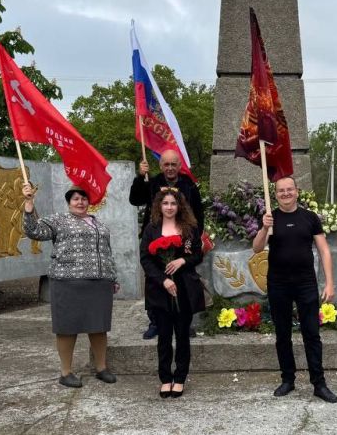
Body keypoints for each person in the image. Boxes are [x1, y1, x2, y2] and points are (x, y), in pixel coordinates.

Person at [22, 183, 119, 388]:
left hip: (99, 283)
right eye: (75, 199)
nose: (80, 202)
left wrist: (112, 277)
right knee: (67, 328)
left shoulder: (99, 224)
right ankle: (65, 372)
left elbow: (107, 252)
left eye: (84, 199)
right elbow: (34, 231)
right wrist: (29, 203)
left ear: (89, 202)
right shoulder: (58, 220)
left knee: (99, 327)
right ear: (69, 202)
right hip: (68, 282)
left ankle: (101, 368)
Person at [252, 176, 337, 403]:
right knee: (283, 334)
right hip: (278, 284)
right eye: (281, 190)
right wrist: (264, 227)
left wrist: (329, 282)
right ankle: (287, 379)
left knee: (312, 333)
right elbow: (257, 248)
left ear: (297, 192)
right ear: (276, 194)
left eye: (289, 189)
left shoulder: (309, 218)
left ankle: (319, 383)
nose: (286, 193)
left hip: (306, 284)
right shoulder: (271, 218)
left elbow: (324, 250)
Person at [128, 149, 204, 340]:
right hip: (155, 237)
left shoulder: (189, 185)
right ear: (160, 166)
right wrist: (139, 176)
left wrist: (195, 237)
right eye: (166, 164)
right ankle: (155, 321)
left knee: (183, 280)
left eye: (173, 164)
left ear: (179, 166)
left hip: (182, 239)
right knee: (155, 280)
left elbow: (198, 213)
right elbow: (135, 199)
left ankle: (184, 322)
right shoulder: (152, 182)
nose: (170, 168)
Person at [140, 188, 205, 398]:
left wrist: (182, 260)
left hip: (184, 289)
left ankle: (180, 377)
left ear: (180, 206)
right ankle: (165, 378)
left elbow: (197, 255)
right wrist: (164, 280)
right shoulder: (151, 229)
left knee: (183, 335)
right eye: (165, 203)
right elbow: (145, 259)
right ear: (160, 205)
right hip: (160, 291)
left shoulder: (190, 228)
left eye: (173, 204)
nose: (169, 207)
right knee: (164, 336)